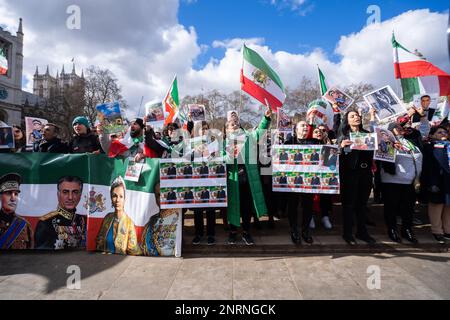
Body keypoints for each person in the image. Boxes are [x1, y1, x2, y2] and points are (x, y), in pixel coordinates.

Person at [224, 107, 272, 246]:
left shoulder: (248, 137)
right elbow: (220, 159)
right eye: (232, 123)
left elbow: (260, 131)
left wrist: (266, 118)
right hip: (232, 178)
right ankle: (233, 232)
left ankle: (246, 232)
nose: (236, 124)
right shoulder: (224, 142)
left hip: (248, 177)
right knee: (233, 206)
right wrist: (228, 156)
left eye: (237, 122)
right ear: (227, 128)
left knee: (246, 207)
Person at [378, 122, 423, 244]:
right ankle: (392, 229)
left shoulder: (409, 142)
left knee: (408, 208)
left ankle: (406, 229)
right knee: (391, 207)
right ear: (390, 130)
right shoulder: (385, 141)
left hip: (410, 181)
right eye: (396, 127)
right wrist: (391, 146)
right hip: (392, 181)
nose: (400, 128)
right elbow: (382, 157)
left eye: (401, 127)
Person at [338, 107, 376, 245]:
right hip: (350, 174)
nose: (357, 118)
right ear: (347, 121)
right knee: (348, 205)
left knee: (362, 205)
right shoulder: (343, 136)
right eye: (353, 116)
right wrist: (341, 147)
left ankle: (362, 232)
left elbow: (373, 151)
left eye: (358, 116)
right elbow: (335, 156)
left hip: (365, 174)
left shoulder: (367, 134)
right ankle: (347, 234)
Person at [284, 121, 320, 244]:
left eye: (306, 125)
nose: (305, 127)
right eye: (302, 125)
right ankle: (294, 230)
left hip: (309, 181)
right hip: (293, 181)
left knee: (308, 206)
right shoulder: (289, 142)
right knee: (293, 206)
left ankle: (305, 230)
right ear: (296, 129)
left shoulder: (315, 142)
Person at [34, 176, 86, 250]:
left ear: (80, 196)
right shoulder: (46, 223)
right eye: (65, 192)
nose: (70, 197)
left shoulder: (84, 220)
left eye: (75, 192)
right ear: (58, 195)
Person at [96, 177, 141, 255]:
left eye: (121, 196)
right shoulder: (107, 218)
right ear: (111, 198)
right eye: (114, 196)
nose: (117, 200)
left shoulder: (129, 223)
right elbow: (99, 241)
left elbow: (133, 250)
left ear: (125, 199)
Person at [421, 126, 450, 243]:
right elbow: (428, 167)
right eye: (439, 132)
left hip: (449, 181)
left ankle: (448, 230)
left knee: (448, 207)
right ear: (432, 135)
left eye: (445, 131)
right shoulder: (429, 147)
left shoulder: (448, 146)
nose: (443, 133)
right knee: (437, 206)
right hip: (437, 180)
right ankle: (437, 231)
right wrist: (431, 183)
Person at [141, 183, 180, 256]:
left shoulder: (178, 217)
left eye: (164, 194)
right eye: (158, 195)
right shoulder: (152, 220)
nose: (161, 198)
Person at [0, 173, 34, 249]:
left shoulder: (24, 225)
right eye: (9, 193)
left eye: (16, 194)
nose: (13, 198)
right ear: (0, 196)